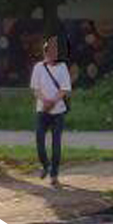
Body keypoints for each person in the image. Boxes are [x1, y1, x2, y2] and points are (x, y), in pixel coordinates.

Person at [30, 37, 71, 186]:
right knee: (39, 140)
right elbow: (35, 89)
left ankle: (54, 175)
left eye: (55, 51)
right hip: (42, 110)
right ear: (45, 52)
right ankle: (45, 165)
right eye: (50, 51)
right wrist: (44, 101)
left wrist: (53, 101)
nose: (53, 54)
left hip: (58, 111)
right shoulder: (38, 67)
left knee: (56, 143)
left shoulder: (62, 67)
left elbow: (65, 89)